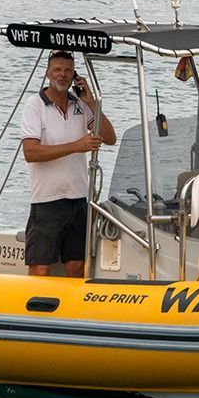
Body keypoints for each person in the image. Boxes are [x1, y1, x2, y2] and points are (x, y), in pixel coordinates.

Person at [19, 50, 117, 277]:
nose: (62, 75)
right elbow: (30, 152)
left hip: (77, 199)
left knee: (76, 267)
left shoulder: (81, 105)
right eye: (57, 70)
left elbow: (110, 138)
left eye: (67, 71)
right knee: (40, 268)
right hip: (47, 200)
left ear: (74, 76)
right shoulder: (35, 105)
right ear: (47, 73)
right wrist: (76, 146)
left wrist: (91, 101)